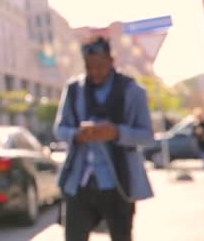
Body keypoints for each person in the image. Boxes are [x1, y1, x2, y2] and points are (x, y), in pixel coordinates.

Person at [54, 36, 154, 241]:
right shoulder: (73, 90)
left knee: (122, 236)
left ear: (111, 60)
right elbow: (60, 129)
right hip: (79, 182)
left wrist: (117, 133)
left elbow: (147, 135)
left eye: (100, 65)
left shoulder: (132, 91)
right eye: (89, 67)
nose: (95, 72)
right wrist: (77, 135)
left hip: (118, 183)